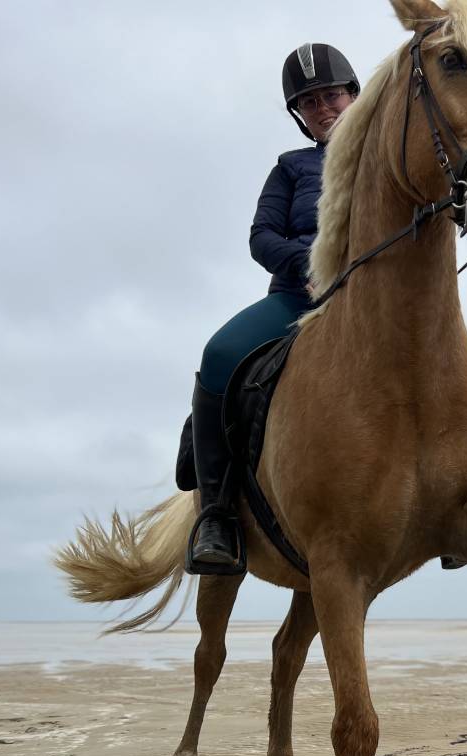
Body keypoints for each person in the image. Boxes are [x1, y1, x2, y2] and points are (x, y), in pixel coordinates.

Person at [186, 44, 360, 575]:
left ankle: (452, 498)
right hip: (296, 297)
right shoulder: (290, 169)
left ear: (354, 95)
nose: (323, 108)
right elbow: (261, 237)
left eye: (331, 95)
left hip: (374, 300)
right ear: (299, 115)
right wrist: (310, 262)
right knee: (219, 354)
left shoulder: (389, 155)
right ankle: (217, 515)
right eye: (309, 102)